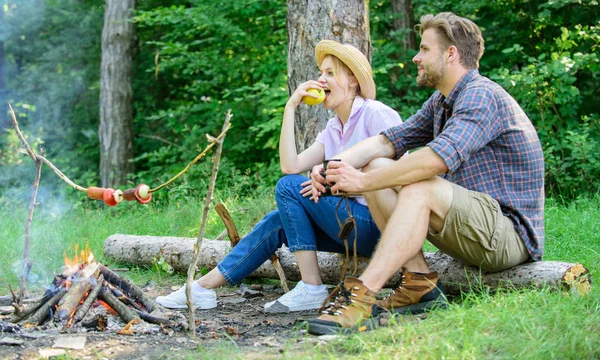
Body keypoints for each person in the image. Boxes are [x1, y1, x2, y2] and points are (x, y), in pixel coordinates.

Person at [305, 12, 545, 335]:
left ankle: (362, 296)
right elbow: (389, 140)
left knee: (419, 186)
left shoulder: (481, 95)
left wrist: (361, 181)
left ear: (451, 54)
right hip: (471, 224)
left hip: (508, 235)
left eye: (424, 49)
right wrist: (330, 168)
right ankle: (419, 282)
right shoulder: (441, 102)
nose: (416, 57)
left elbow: (435, 162)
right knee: (379, 166)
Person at [156, 40, 403, 313]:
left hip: (377, 227)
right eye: (321, 72)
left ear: (354, 81)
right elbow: (290, 165)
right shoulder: (333, 128)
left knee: (288, 188)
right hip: (346, 227)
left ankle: (311, 287)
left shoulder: (376, 113)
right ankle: (202, 288)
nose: (321, 79)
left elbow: (399, 175)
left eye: (331, 73)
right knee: (278, 221)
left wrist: (332, 184)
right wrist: (290, 107)